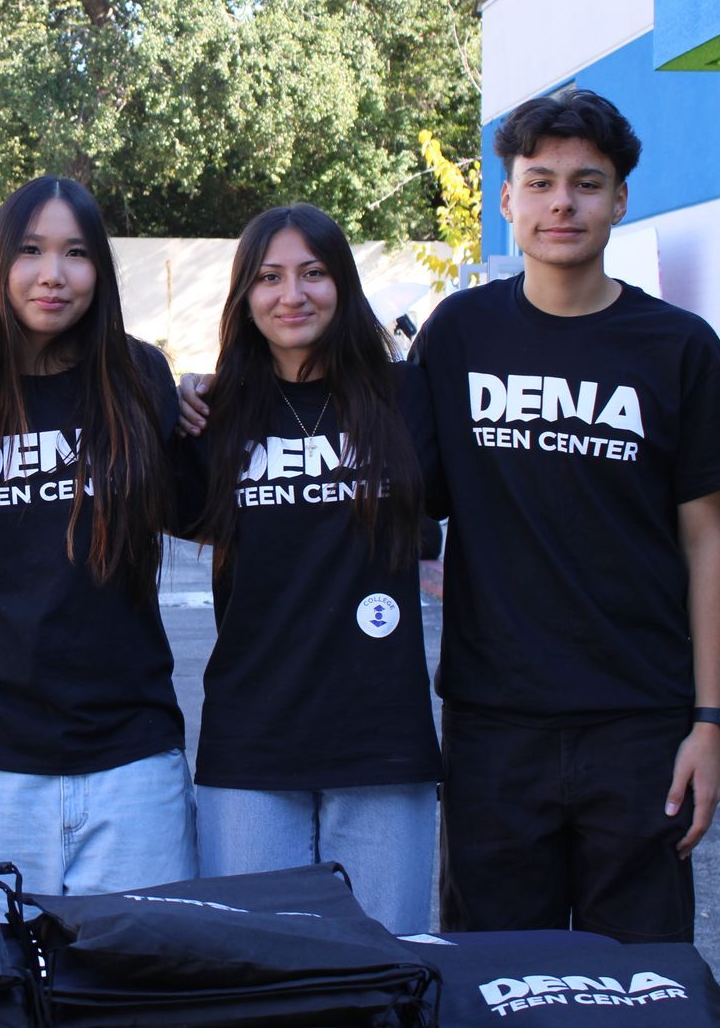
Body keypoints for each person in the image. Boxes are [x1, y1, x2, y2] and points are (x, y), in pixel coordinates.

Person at [409, 89, 720, 941]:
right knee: (496, 981)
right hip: (494, 725)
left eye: (586, 182)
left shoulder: (677, 347)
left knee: (641, 982)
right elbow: (386, 476)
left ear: (620, 200)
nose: (561, 203)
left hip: (639, 723)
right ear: (506, 201)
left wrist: (710, 725)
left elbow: (707, 543)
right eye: (539, 183)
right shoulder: (457, 336)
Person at [0, 175, 193, 896]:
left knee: (131, 987)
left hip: (130, 758)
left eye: (75, 253)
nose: (52, 275)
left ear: (100, 268)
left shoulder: (142, 378)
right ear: (0, 261)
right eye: (31, 250)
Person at [176, 204, 440, 935]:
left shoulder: (408, 398)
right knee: (260, 980)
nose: (291, 294)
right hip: (252, 742)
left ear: (344, 285)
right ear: (244, 297)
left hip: (384, 741)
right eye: (268, 277)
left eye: (313, 273)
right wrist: (168, 396)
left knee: (391, 973)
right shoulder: (211, 417)